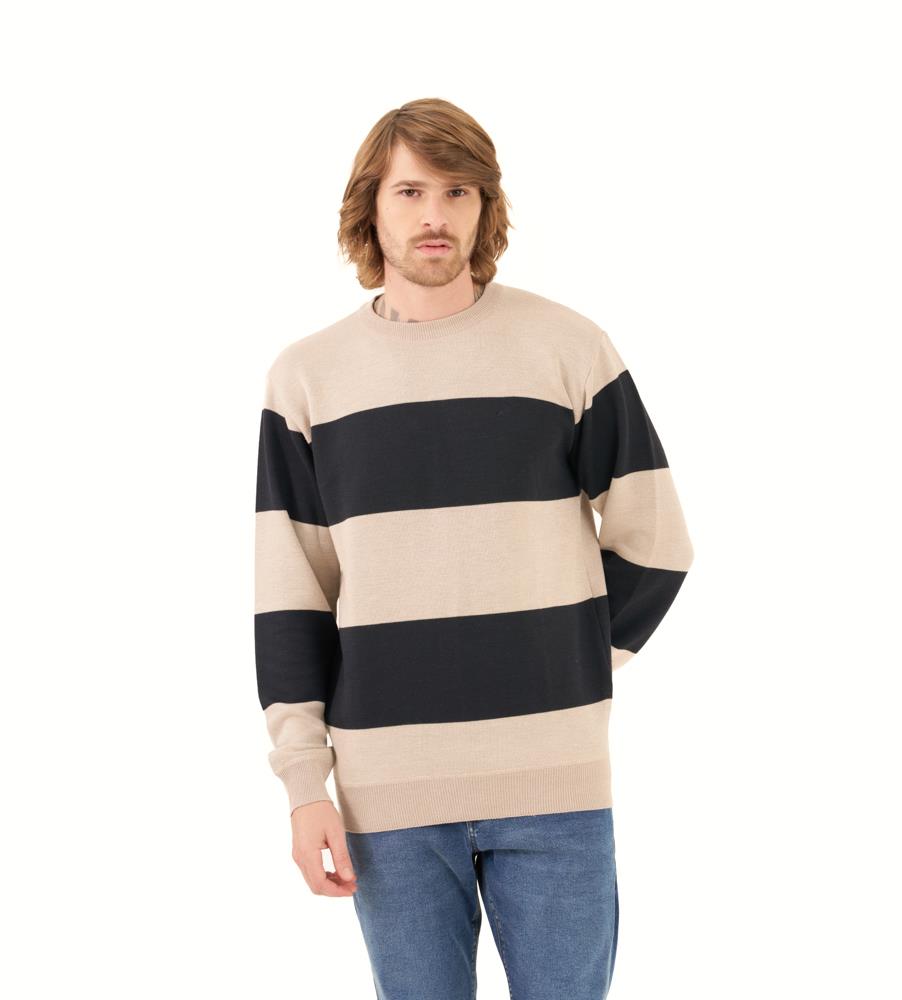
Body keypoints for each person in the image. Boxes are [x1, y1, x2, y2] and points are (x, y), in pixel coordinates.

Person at [254, 97, 694, 1000]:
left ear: (486, 206)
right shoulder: (308, 378)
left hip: (556, 787)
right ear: (370, 205)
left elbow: (657, 543)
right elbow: (293, 594)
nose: (435, 215)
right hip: (389, 795)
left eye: (459, 192)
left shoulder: (567, 348)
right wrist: (304, 785)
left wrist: (565, 661)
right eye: (411, 190)